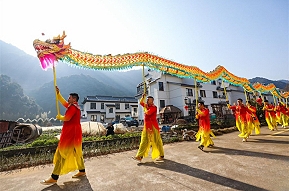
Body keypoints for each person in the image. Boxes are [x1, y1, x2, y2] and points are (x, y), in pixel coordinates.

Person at [41, 86, 85, 185]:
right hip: (75, 132)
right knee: (77, 152)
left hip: (71, 133)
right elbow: (64, 102)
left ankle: (54, 177)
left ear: (74, 99)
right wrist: (58, 93)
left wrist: (60, 117)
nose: (68, 99)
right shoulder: (74, 106)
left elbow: (67, 118)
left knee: (62, 153)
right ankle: (82, 170)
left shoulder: (73, 107)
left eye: (69, 97)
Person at [132, 94, 164, 162]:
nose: (146, 100)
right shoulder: (147, 106)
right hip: (146, 126)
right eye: (147, 99)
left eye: (148, 100)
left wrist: (145, 108)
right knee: (144, 141)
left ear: (152, 101)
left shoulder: (154, 107)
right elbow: (141, 103)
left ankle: (161, 155)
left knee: (157, 140)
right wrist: (143, 97)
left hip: (153, 126)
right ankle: (139, 156)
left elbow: (148, 113)